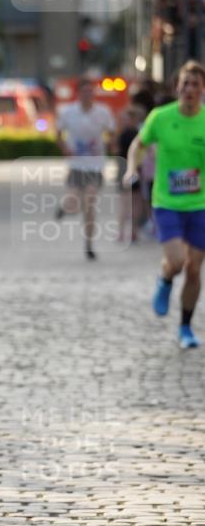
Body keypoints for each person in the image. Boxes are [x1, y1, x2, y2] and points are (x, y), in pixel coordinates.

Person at [124, 60, 205, 349]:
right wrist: (132, 168)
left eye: (195, 84)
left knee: (195, 270)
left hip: (200, 205)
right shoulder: (160, 117)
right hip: (167, 202)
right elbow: (138, 144)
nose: (189, 89)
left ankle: (185, 327)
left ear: (202, 90)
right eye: (185, 83)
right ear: (177, 87)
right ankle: (165, 278)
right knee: (177, 261)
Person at [55, 77, 116, 260]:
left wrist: (110, 144)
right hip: (76, 165)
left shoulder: (102, 112)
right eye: (84, 92)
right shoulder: (68, 112)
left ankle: (89, 244)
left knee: (89, 203)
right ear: (78, 94)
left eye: (90, 92)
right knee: (73, 201)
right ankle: (65, 207)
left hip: (95, 166)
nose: (87, 95)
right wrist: (66, 149)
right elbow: (57, 133)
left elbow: (112, 131)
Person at [116, 104, 144, 244]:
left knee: (126, 201)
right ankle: (132, 231)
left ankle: (122, 232)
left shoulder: (124, 134)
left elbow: (116, 150)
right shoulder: (139, 134)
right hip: (135, 169)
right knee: (134, 201)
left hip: (124, 169)